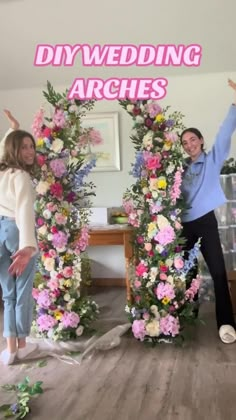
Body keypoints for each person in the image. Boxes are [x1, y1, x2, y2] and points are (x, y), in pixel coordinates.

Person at [180, 79, 236, 344]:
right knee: (186, 273)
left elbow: (225, 133)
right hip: (184, 226)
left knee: (217, 272)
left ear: (201, 141)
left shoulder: (212, 160)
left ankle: (225, 323)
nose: (189, 144)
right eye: (185, 142)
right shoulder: (179, 169)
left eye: (193, 139)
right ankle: (188, 316)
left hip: (205, 223)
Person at [0, 110, 38, 365]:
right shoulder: (21, 176)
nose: (30, 151)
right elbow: (24, 210)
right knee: (22, 291)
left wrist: (13, 128)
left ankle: (9, 348)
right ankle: (22, 346)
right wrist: (27, 247)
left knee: (7, 293)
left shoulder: (2, 172)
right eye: (23, 147)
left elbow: (4, 151)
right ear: (15, 150)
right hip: (16, 231)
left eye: (31, 146)